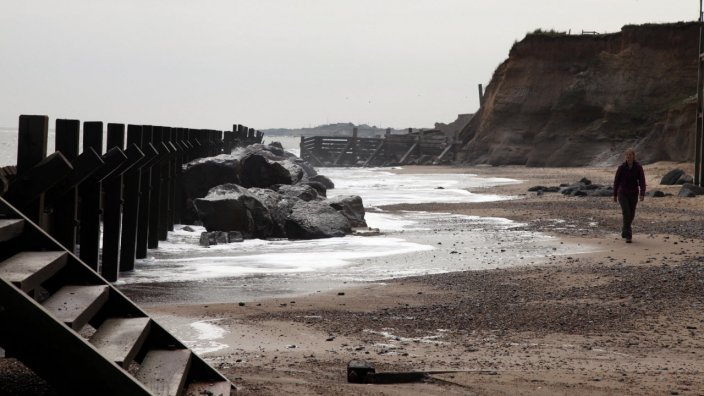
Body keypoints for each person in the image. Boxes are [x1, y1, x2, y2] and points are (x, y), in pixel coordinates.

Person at [613, 148, 646, 243]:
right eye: (627, 155)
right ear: (625, 157)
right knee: (626, 212)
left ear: (633, 156)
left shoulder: (638, 167)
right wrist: (615, 195)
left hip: (633, 193)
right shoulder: (621, 167)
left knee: (631, 214)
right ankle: (628, 234)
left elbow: (642, 181)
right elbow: (616, 182)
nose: (628, 157)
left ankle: (625, 228)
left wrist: (642, 193)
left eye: (630, 155)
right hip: (622, 193)